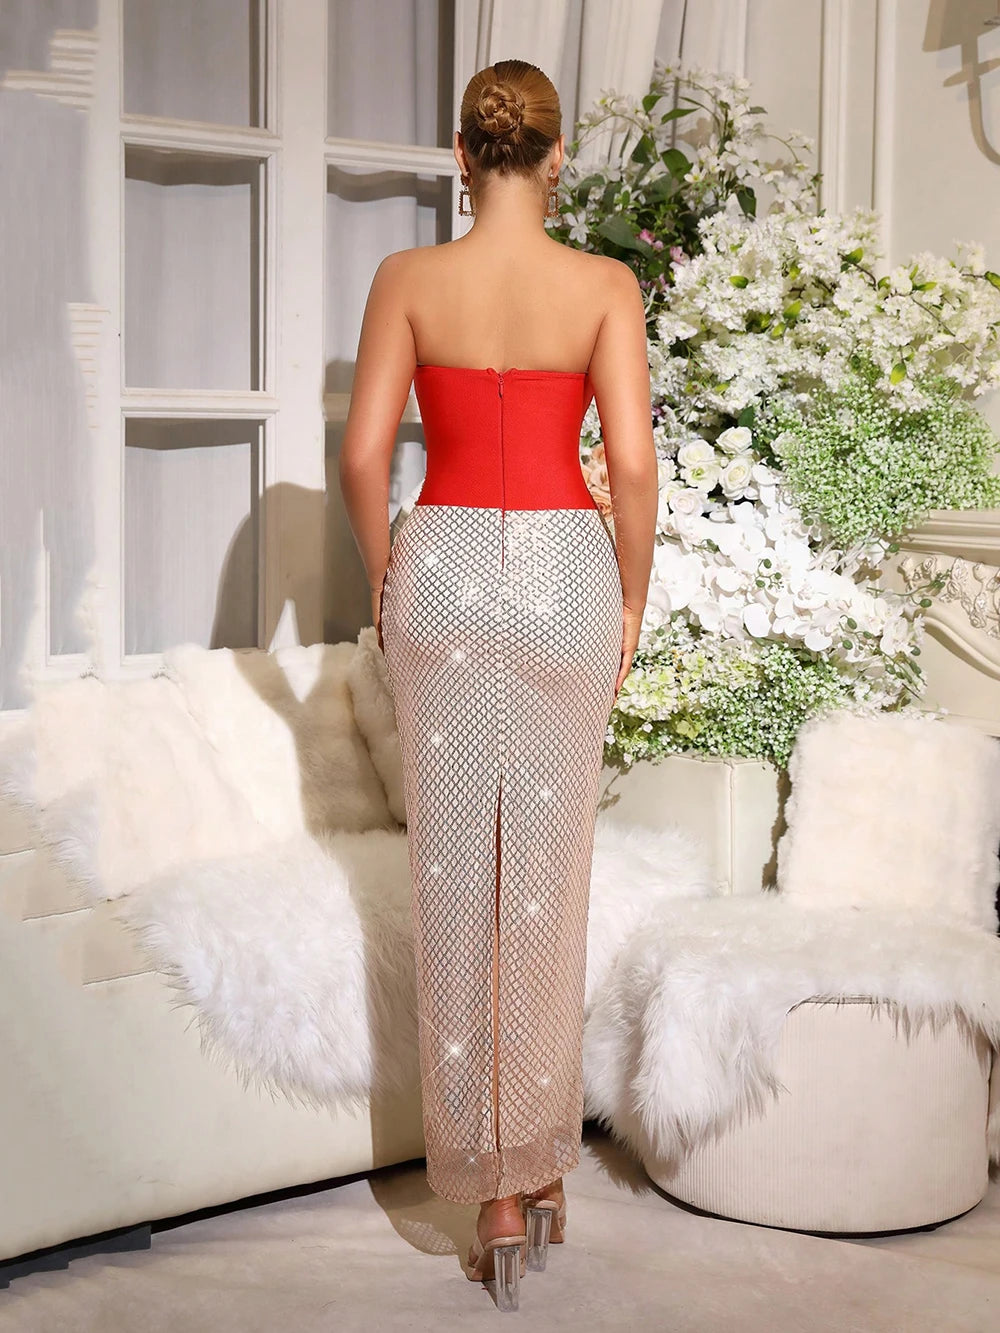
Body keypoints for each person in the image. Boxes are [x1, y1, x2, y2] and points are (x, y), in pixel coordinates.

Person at [339, 58, 657, 1311]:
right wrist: (629, 598)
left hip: (448, 571)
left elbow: (365, 454)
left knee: (454, 879)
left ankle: (491, 1190)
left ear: (462, 155)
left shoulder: (407, 279)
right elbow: (632, 464)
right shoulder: (603, 286)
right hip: (569, 571)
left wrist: (388, 574)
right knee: (546, 882)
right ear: (558, 155)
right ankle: (540, 1162)